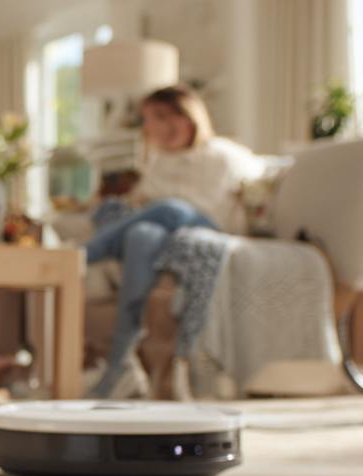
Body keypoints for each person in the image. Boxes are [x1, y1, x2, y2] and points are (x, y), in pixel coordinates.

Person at [86, 85, 264, 398]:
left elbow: (231, 192)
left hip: (208, 226)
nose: (159, 127)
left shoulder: (222, 153)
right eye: (151, 120)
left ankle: (82, 255)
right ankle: (121, 363)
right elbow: (145, 208)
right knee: (141, 234)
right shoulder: (157, 163)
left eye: (166, 117)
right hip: (166, 238)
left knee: (169, 208)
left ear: (189, 117)